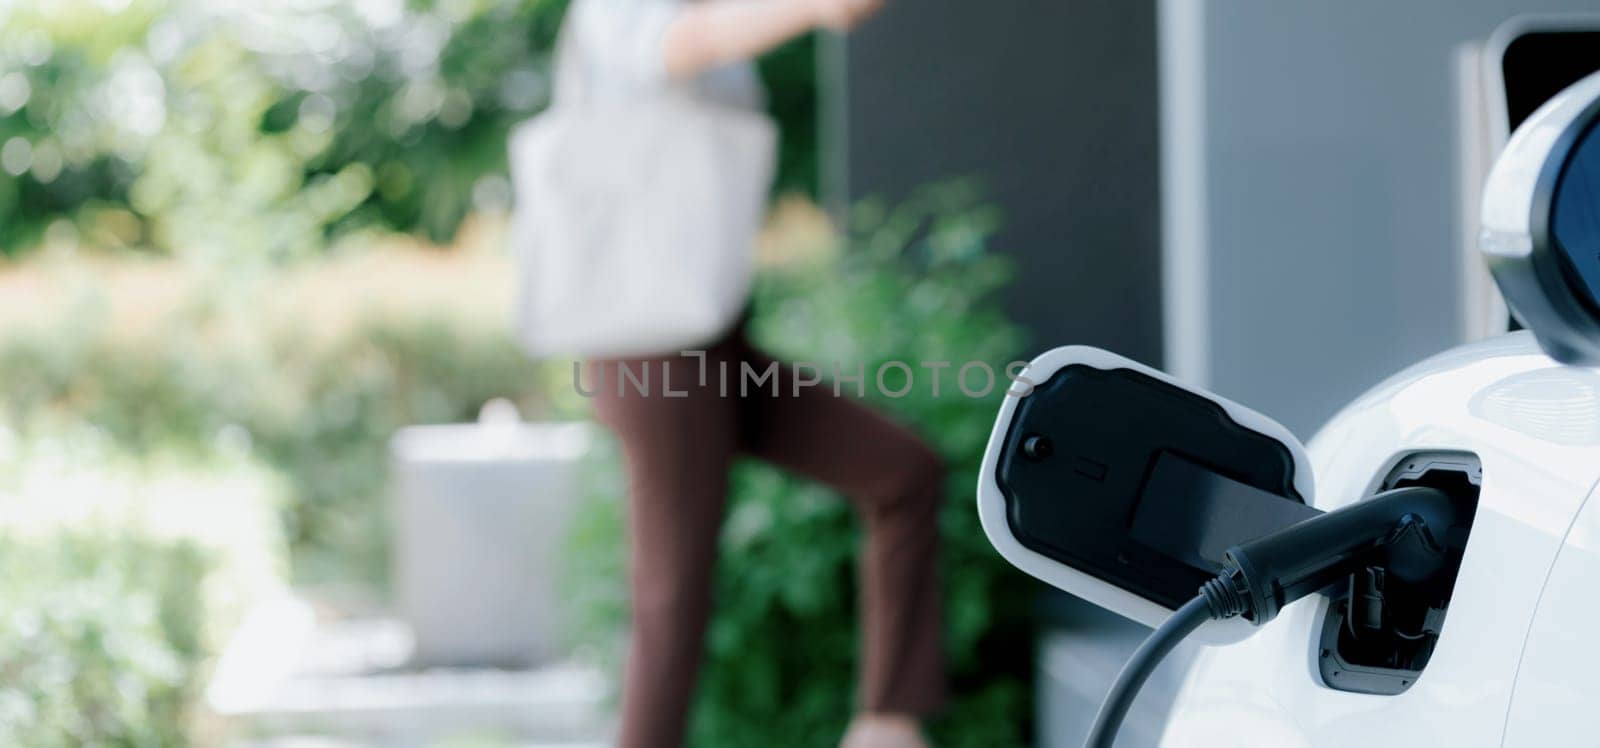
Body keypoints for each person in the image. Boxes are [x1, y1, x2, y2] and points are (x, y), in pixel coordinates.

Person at [561, 1, 947, 747]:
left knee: (903, 471)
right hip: (651, 347)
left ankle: (886, 723)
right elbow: (675, 47)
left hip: (717, 338)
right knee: (672, 605)